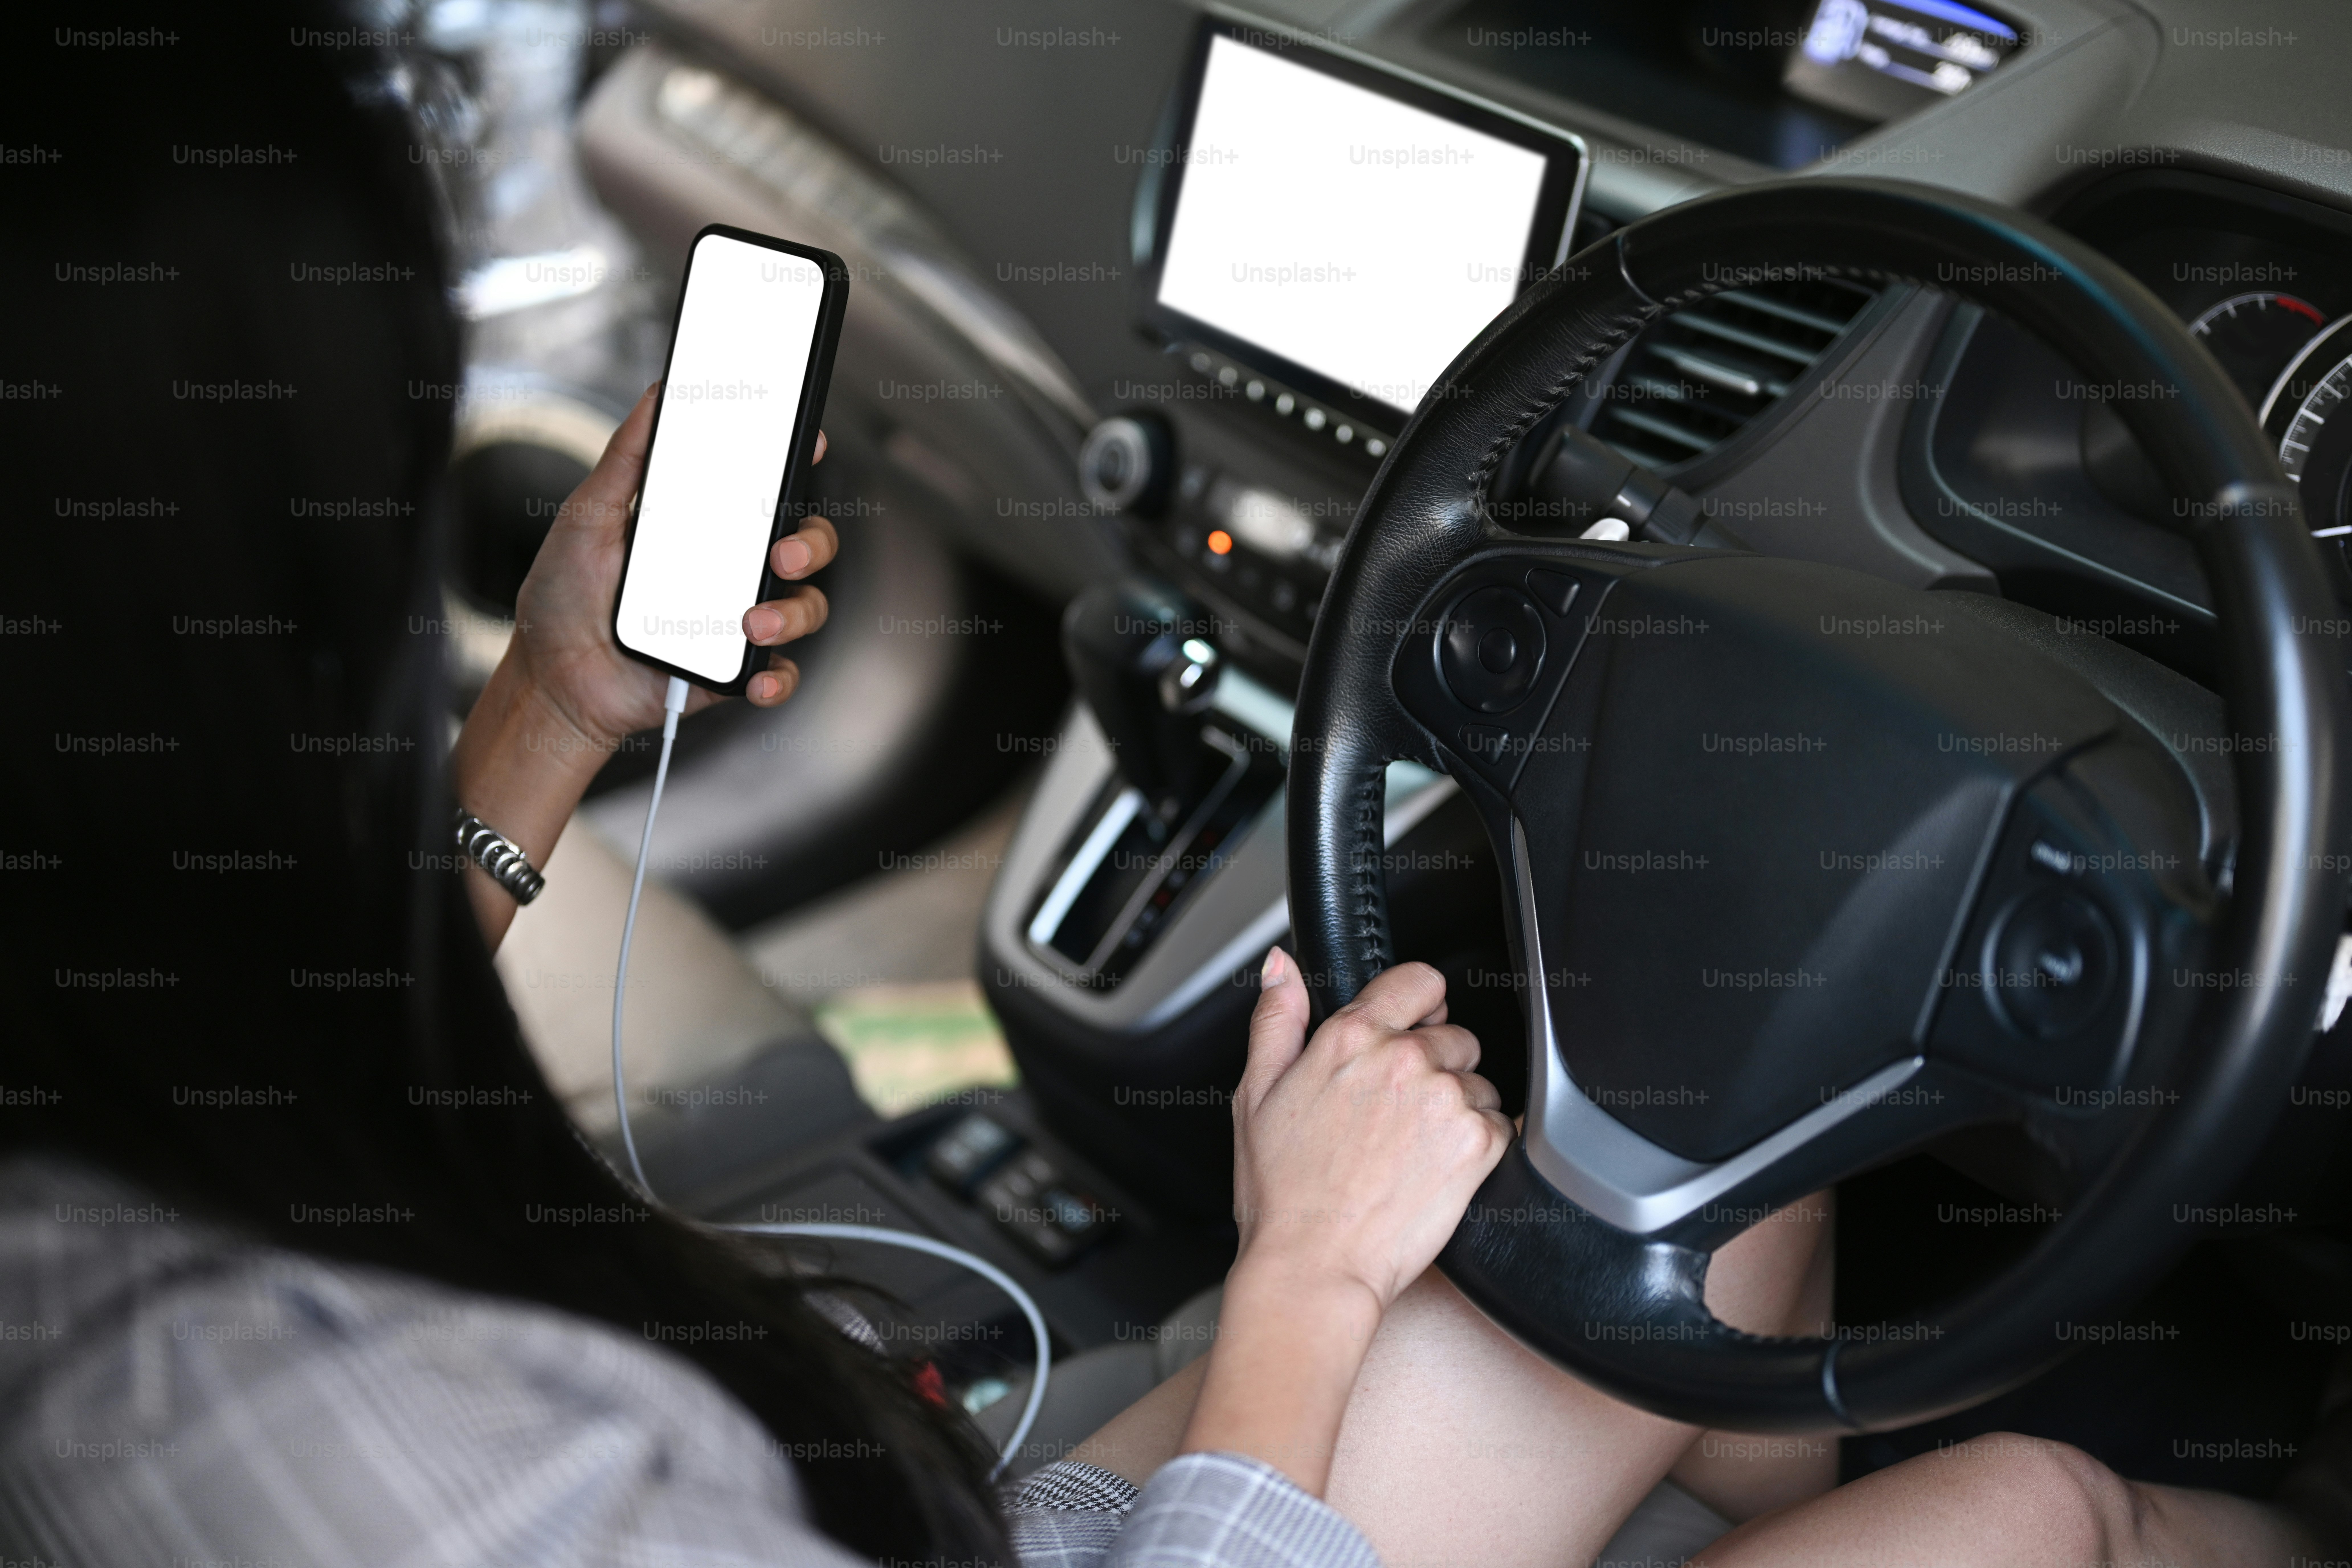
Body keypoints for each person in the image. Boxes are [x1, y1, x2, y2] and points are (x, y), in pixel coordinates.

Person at [1, 6, 2335, 1566]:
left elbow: (272, 1023)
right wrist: (1301, 1281)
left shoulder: (109, 1116)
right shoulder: (360, 1452)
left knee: (1662, 1241)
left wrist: (558, 712)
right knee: (2039, 1499)